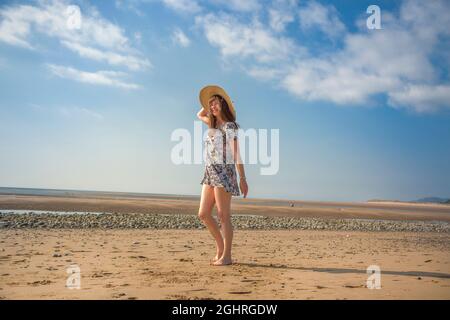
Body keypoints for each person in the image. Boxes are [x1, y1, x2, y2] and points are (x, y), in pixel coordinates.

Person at [197, 85, 249, 266]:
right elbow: (199, 114)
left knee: (223, 215)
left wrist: (243, 179)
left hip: (225, 172)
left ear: (224, 105)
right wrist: (209, 100)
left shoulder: (230, 126)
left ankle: (227, 256)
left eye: (216, 104)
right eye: (211, 105)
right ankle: (220, 247)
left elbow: (237, 155)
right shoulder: (212, 124)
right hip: (210, 172)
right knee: (203, 214)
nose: (212, 107)